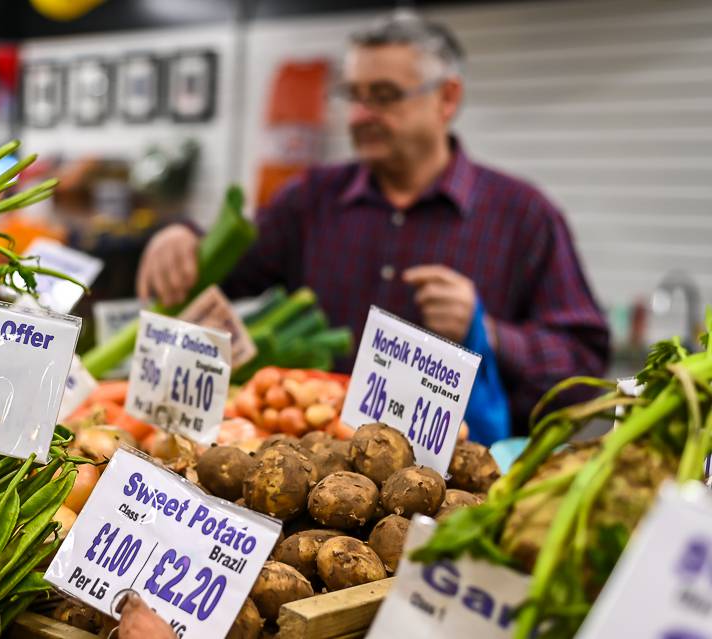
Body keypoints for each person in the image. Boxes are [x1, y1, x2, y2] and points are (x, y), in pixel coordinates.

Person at [135, 11, 609, 439]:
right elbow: (234, 268)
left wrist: (488, 330)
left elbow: (585, 367)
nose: (360, 115)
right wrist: (182, 236)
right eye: (352, 95)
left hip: (455, 487)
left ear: (447, 98)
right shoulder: (309, 199)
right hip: (310, 472)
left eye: (383, 96)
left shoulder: (523, 215)